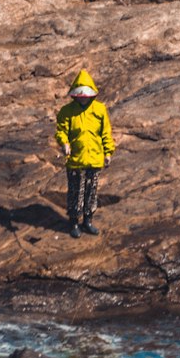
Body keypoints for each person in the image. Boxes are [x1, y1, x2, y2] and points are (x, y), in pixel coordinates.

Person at [54, 69, 115, 238]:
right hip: (75, 160)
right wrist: (64, 143)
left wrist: (108, 153)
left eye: (85, 95)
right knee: (75, 192)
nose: (82, 97)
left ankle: (88, 221)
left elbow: (106, 133)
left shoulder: (100, 109)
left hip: (95, 159)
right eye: (79, 95)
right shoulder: (66, 111)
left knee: (91, 190)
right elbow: (61, 131)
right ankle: (74, 222)